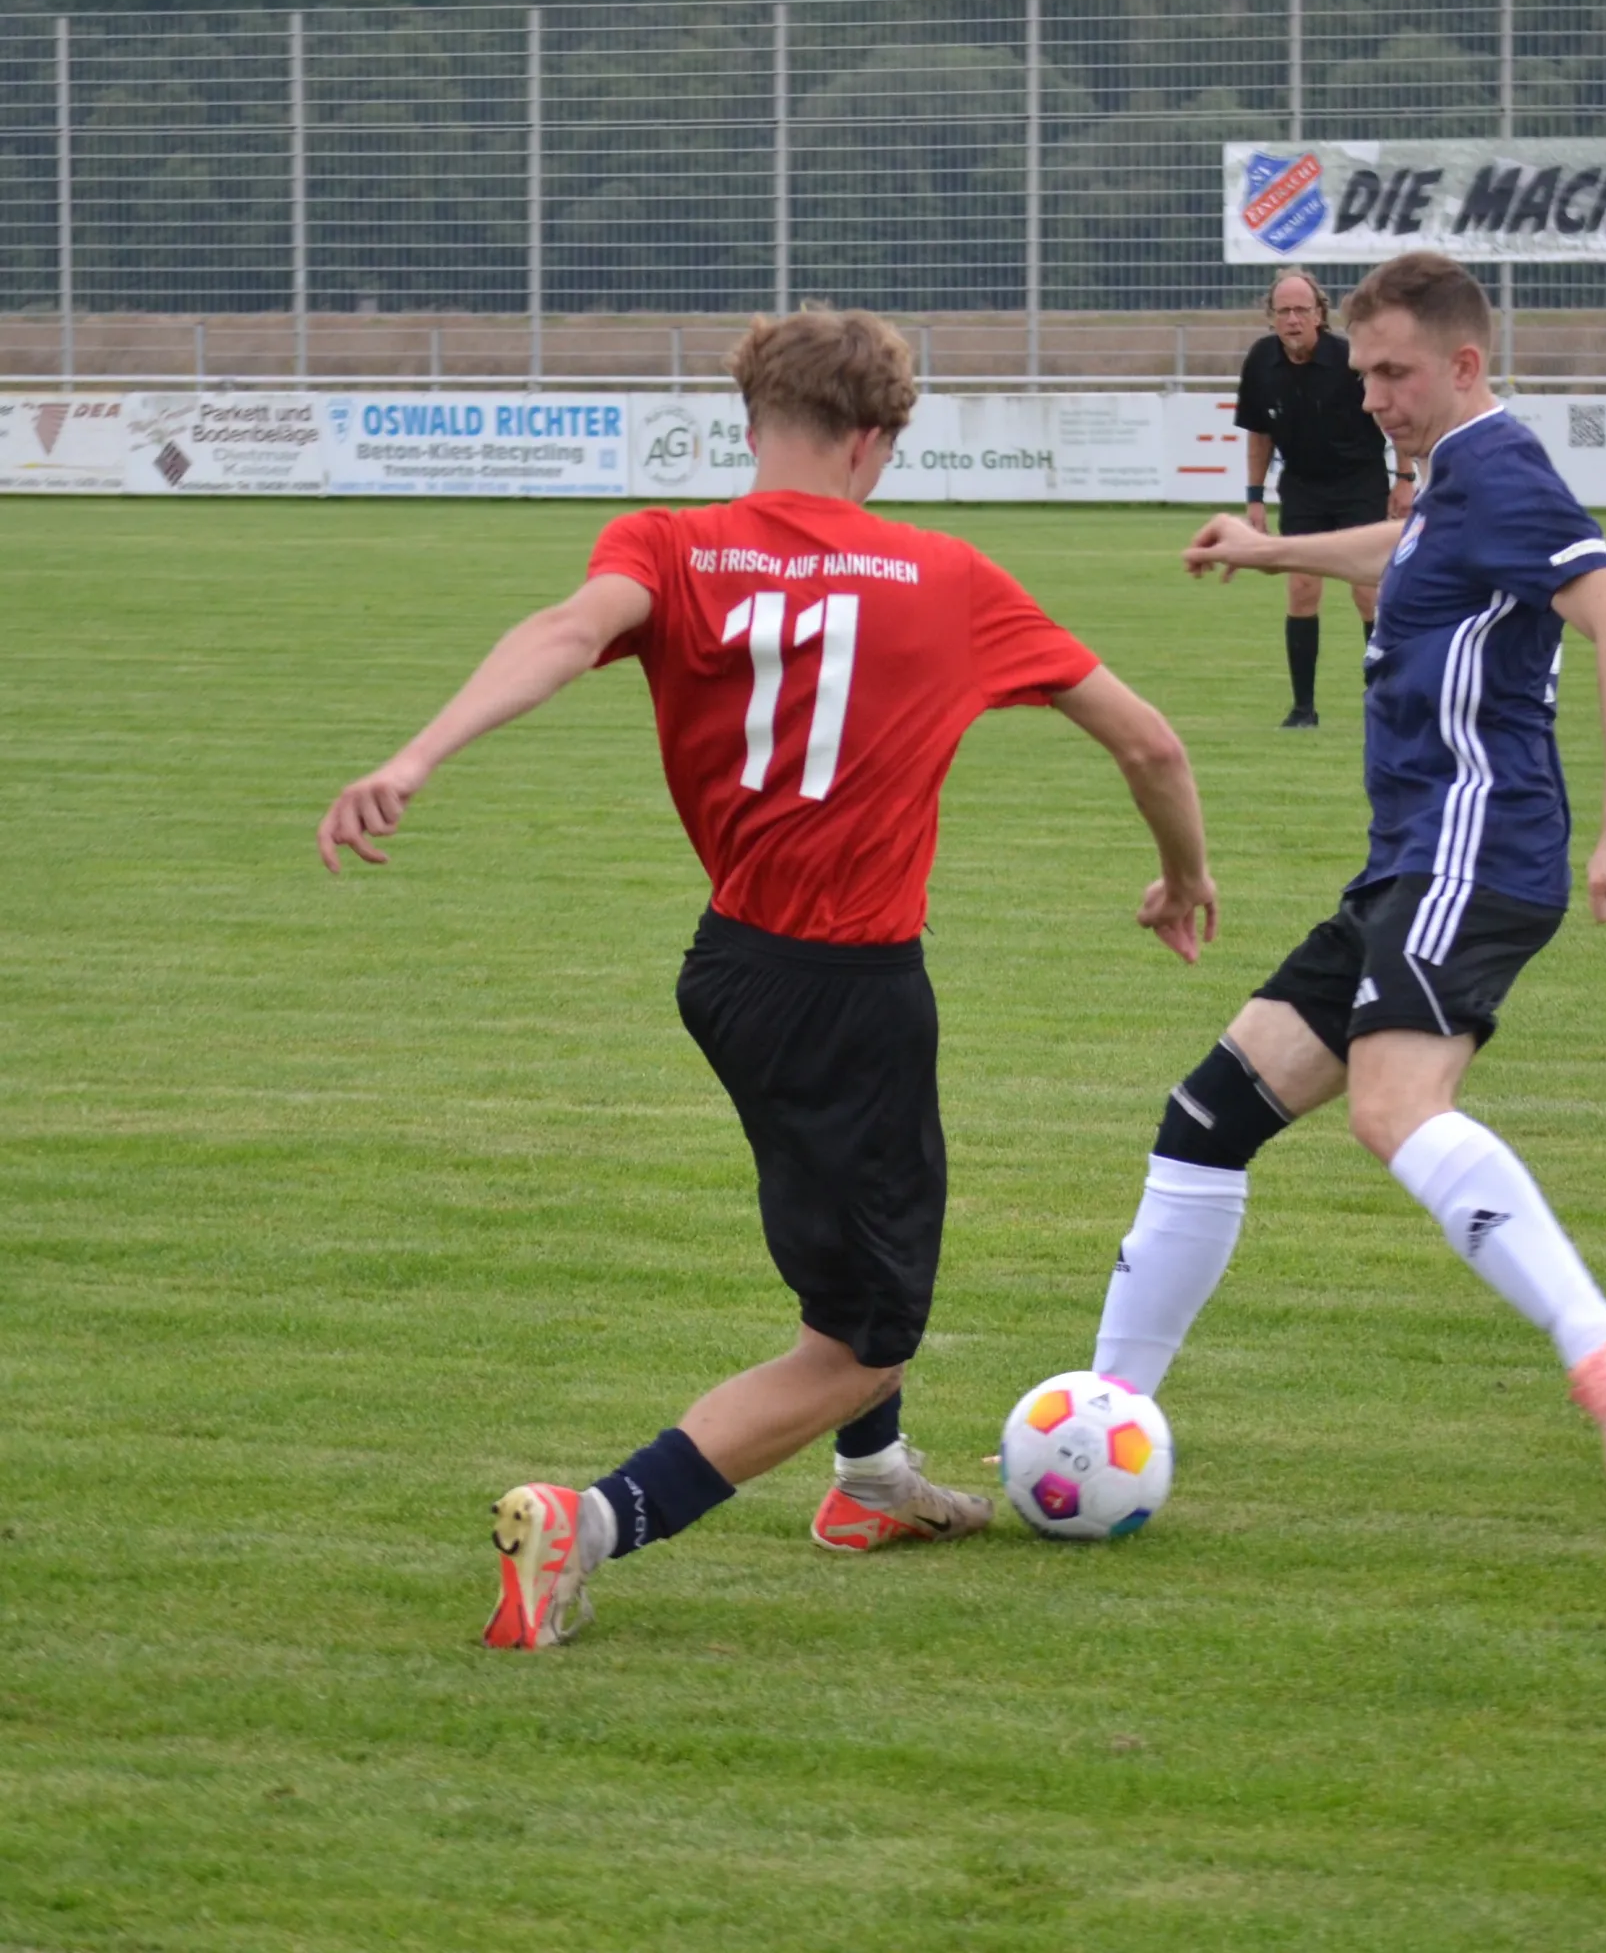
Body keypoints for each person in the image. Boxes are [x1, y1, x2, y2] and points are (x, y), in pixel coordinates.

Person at [316, 305, 1217, 1650]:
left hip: (732, 969)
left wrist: (415, 756)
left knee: (850, 1253)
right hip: (847, 990)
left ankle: (872, 1484)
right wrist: (1181, 875)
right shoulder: (950, 576)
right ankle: (589, 1522)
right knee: (862, 1342)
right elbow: (1150, 745)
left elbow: (562, 631)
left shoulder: (667, 545)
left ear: (750, 423)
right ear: (876, 440)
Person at [1090, 250, 1606, 1487]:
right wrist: (1266, 551)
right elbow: (1408, 547)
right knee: (1205, 1118)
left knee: (1391, 1106)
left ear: (1462, 364)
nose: (1369, 397)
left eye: (1392, 373)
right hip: (1406, 862)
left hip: (1475, 840)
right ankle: (1104, 1415)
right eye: (1361, 372)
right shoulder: (1454, 476)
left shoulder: (1501, 466)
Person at [1237, 267, 1415, 729]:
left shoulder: (1350, 359)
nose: (1293, 319)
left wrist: (1404, 478)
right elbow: (1259, 434)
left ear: (1319, 314)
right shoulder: (1260, 361)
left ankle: (1385, 702)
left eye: (1302, 310)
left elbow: (1394, 413)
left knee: (1367, 591)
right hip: (1302, 486)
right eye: (1284, 311)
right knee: (1301, 588)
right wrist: (1254, 497)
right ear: (1271, 317)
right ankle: (1303, 710)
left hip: (1359, 483)